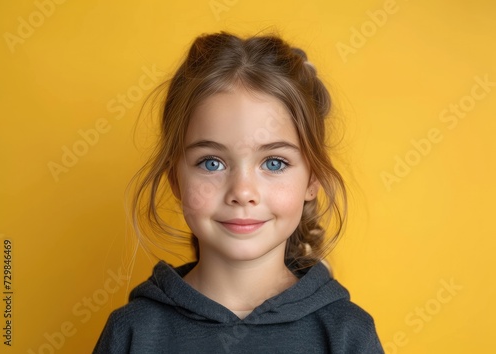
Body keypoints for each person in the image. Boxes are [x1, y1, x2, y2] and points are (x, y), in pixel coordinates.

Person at [94, 31, 384, 353]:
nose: (243, 192)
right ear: (175, 178)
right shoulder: (132, 332)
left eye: (274, 163)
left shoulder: (347, 333)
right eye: (212, 163)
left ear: (312, 179)